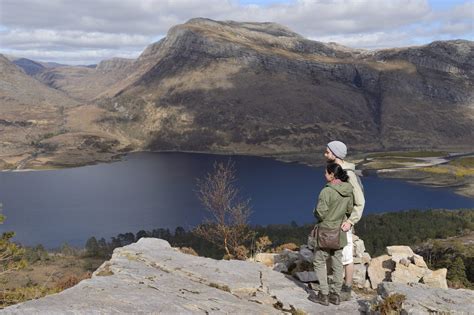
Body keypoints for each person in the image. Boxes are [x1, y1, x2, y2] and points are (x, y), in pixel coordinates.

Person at [324, 140, 365, 301]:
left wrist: (351, 221)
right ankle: (332, 285)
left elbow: (360, 201)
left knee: (346, 256)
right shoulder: (336, 171)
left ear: (335, 154)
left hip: (343, 223)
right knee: (331, 253)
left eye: (327, 152)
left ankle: (346, 288)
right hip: (332, 221)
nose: (325, 154)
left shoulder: (349, 174)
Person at [309, 163, 353, 306]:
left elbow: (320, 213)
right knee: (338, 262)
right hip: (340, 232)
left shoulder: (326, 191)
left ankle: (324, 294)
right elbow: (349, 210)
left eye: (326, 173)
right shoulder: (348, 190)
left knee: (319, 260)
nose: (324, 175)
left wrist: (314, 211)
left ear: (332, 175)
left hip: (325, 231)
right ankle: (336, 295)